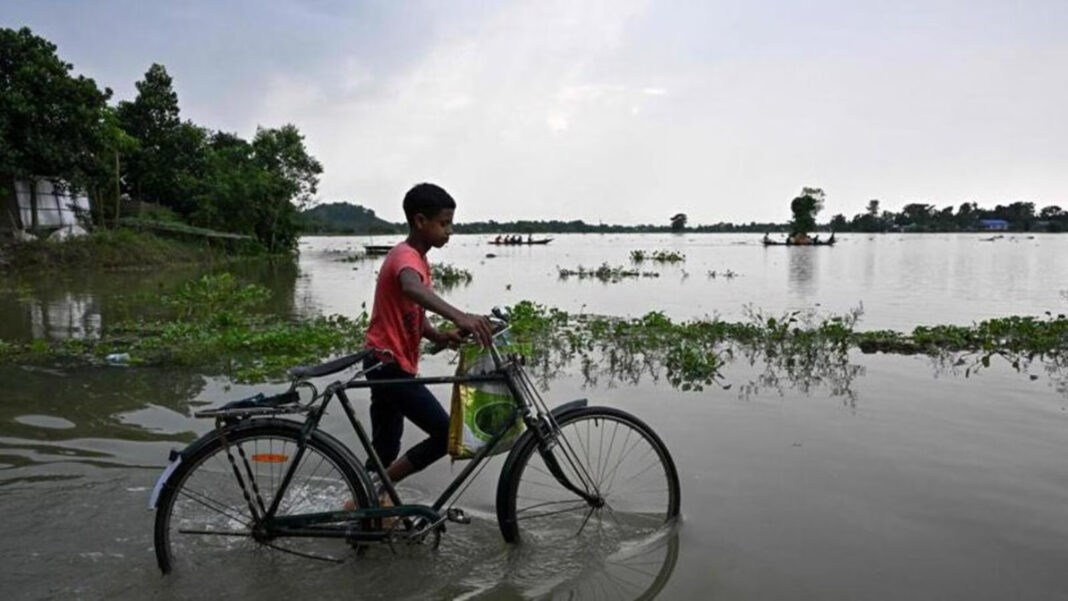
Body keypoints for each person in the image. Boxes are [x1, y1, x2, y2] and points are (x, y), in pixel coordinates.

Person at [363, 182, 494, 493]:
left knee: (384, 448)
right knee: (445, 434)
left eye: (451, 224)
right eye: (443, 223)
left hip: (384, 363)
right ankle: (373, 494)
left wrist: (438, 335)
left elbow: (411, 310)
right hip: (388, 365)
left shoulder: (419, 258)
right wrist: (460, 316)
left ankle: (364, 503)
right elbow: (410, 288)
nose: (449, 231)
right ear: (420, 221)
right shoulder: (405, 257)